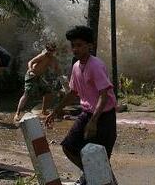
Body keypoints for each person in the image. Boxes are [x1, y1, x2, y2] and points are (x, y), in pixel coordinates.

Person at [45, 26, 117, 185]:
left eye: (79, 45)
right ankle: (94, 174)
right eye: (73, 45)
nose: (75, 49)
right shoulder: (76, 66)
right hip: (87, 114)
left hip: (103, 116)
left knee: (98, 155)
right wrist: (55, 112)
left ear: (89, 46)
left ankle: (99, 177)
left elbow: (104, 96)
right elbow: (73, 93)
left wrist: (94, 121)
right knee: (68, 147)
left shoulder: (96, 65)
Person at [14, 42, 59, 121]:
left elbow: (57, 68)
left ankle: (44, 111)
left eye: (53, 51)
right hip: (32, 75)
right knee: (26, 94)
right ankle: (17, 114)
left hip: (40, 77)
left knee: (48, 92)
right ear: (47, 49)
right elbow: (30, 62)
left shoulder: (53, 58)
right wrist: (31, 69)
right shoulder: (42, 56)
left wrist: (60, 76)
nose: (51, 52)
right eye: (50, 50)